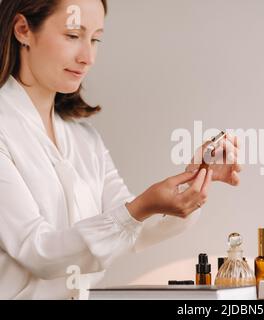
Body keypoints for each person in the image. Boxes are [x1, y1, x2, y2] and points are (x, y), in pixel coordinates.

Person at [0, 0, 241, 299]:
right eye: (73, 35)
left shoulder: (84, 139)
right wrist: (137, 210)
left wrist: (193, 178)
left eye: (95, 39)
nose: (87, 57)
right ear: (23, 30)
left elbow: (133, 230)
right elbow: (37, 251)